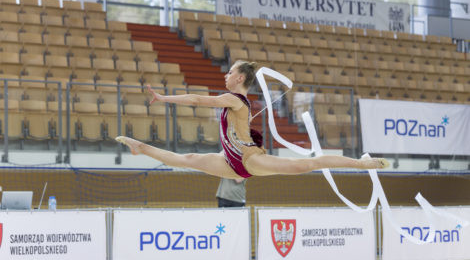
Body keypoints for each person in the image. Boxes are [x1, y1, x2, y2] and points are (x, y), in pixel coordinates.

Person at [116, 60, 389, 179]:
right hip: (229, 161)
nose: (225, 76)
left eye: (229, 72)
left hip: (248, 159)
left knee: (304, 165)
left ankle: (360, 163)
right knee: (186, 160)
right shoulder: (233, 98)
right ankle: (140, 147)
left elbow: (198, 100)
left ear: (240, 78)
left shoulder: (235, 99)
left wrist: (165, 99)